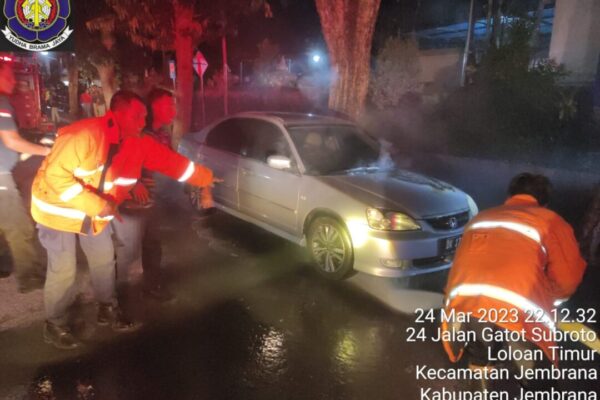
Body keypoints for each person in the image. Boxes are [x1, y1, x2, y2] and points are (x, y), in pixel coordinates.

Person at [31, 90, 217, 350]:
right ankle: (54, 324)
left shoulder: (137, 143)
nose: (143, 121)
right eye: (137, 115)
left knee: (104, 260)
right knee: (64, 270)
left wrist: (204, 177)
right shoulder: (83, 135)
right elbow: (56, 178)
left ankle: (107, 308)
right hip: (56, 210)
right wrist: (99, 205)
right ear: (117, 113)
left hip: (95, 212)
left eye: (144, 116)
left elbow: (172, 163)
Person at [440, 173, 587, 392]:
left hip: (467, 310)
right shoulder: (550, 221)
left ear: (510, 195)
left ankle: (480, 385)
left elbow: (462, 268)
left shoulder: (481, 218)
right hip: (519, 317)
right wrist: (549, 299)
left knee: (481, 354)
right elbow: (567, 280)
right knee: (538, 380)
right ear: (544, 202)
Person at [112, 88, 204, 301]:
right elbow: (117, 162)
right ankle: (117, 297)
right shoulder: (135, 131)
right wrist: (135, 184)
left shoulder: (162, 132)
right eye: (168, 105)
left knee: (153, 244)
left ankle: (151, 285)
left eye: (174, 105)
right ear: (153, 107)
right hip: (131, 200)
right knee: (129, 249)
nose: (173, 110)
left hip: (154, 199)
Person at [0, 59, 50, 292]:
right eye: (8, 76)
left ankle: (3, 264)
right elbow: (12, 140)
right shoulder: (1, 102)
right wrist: (46, 150)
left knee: (5, 223)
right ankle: (29, 277)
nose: (13, 80)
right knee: (19, 228)